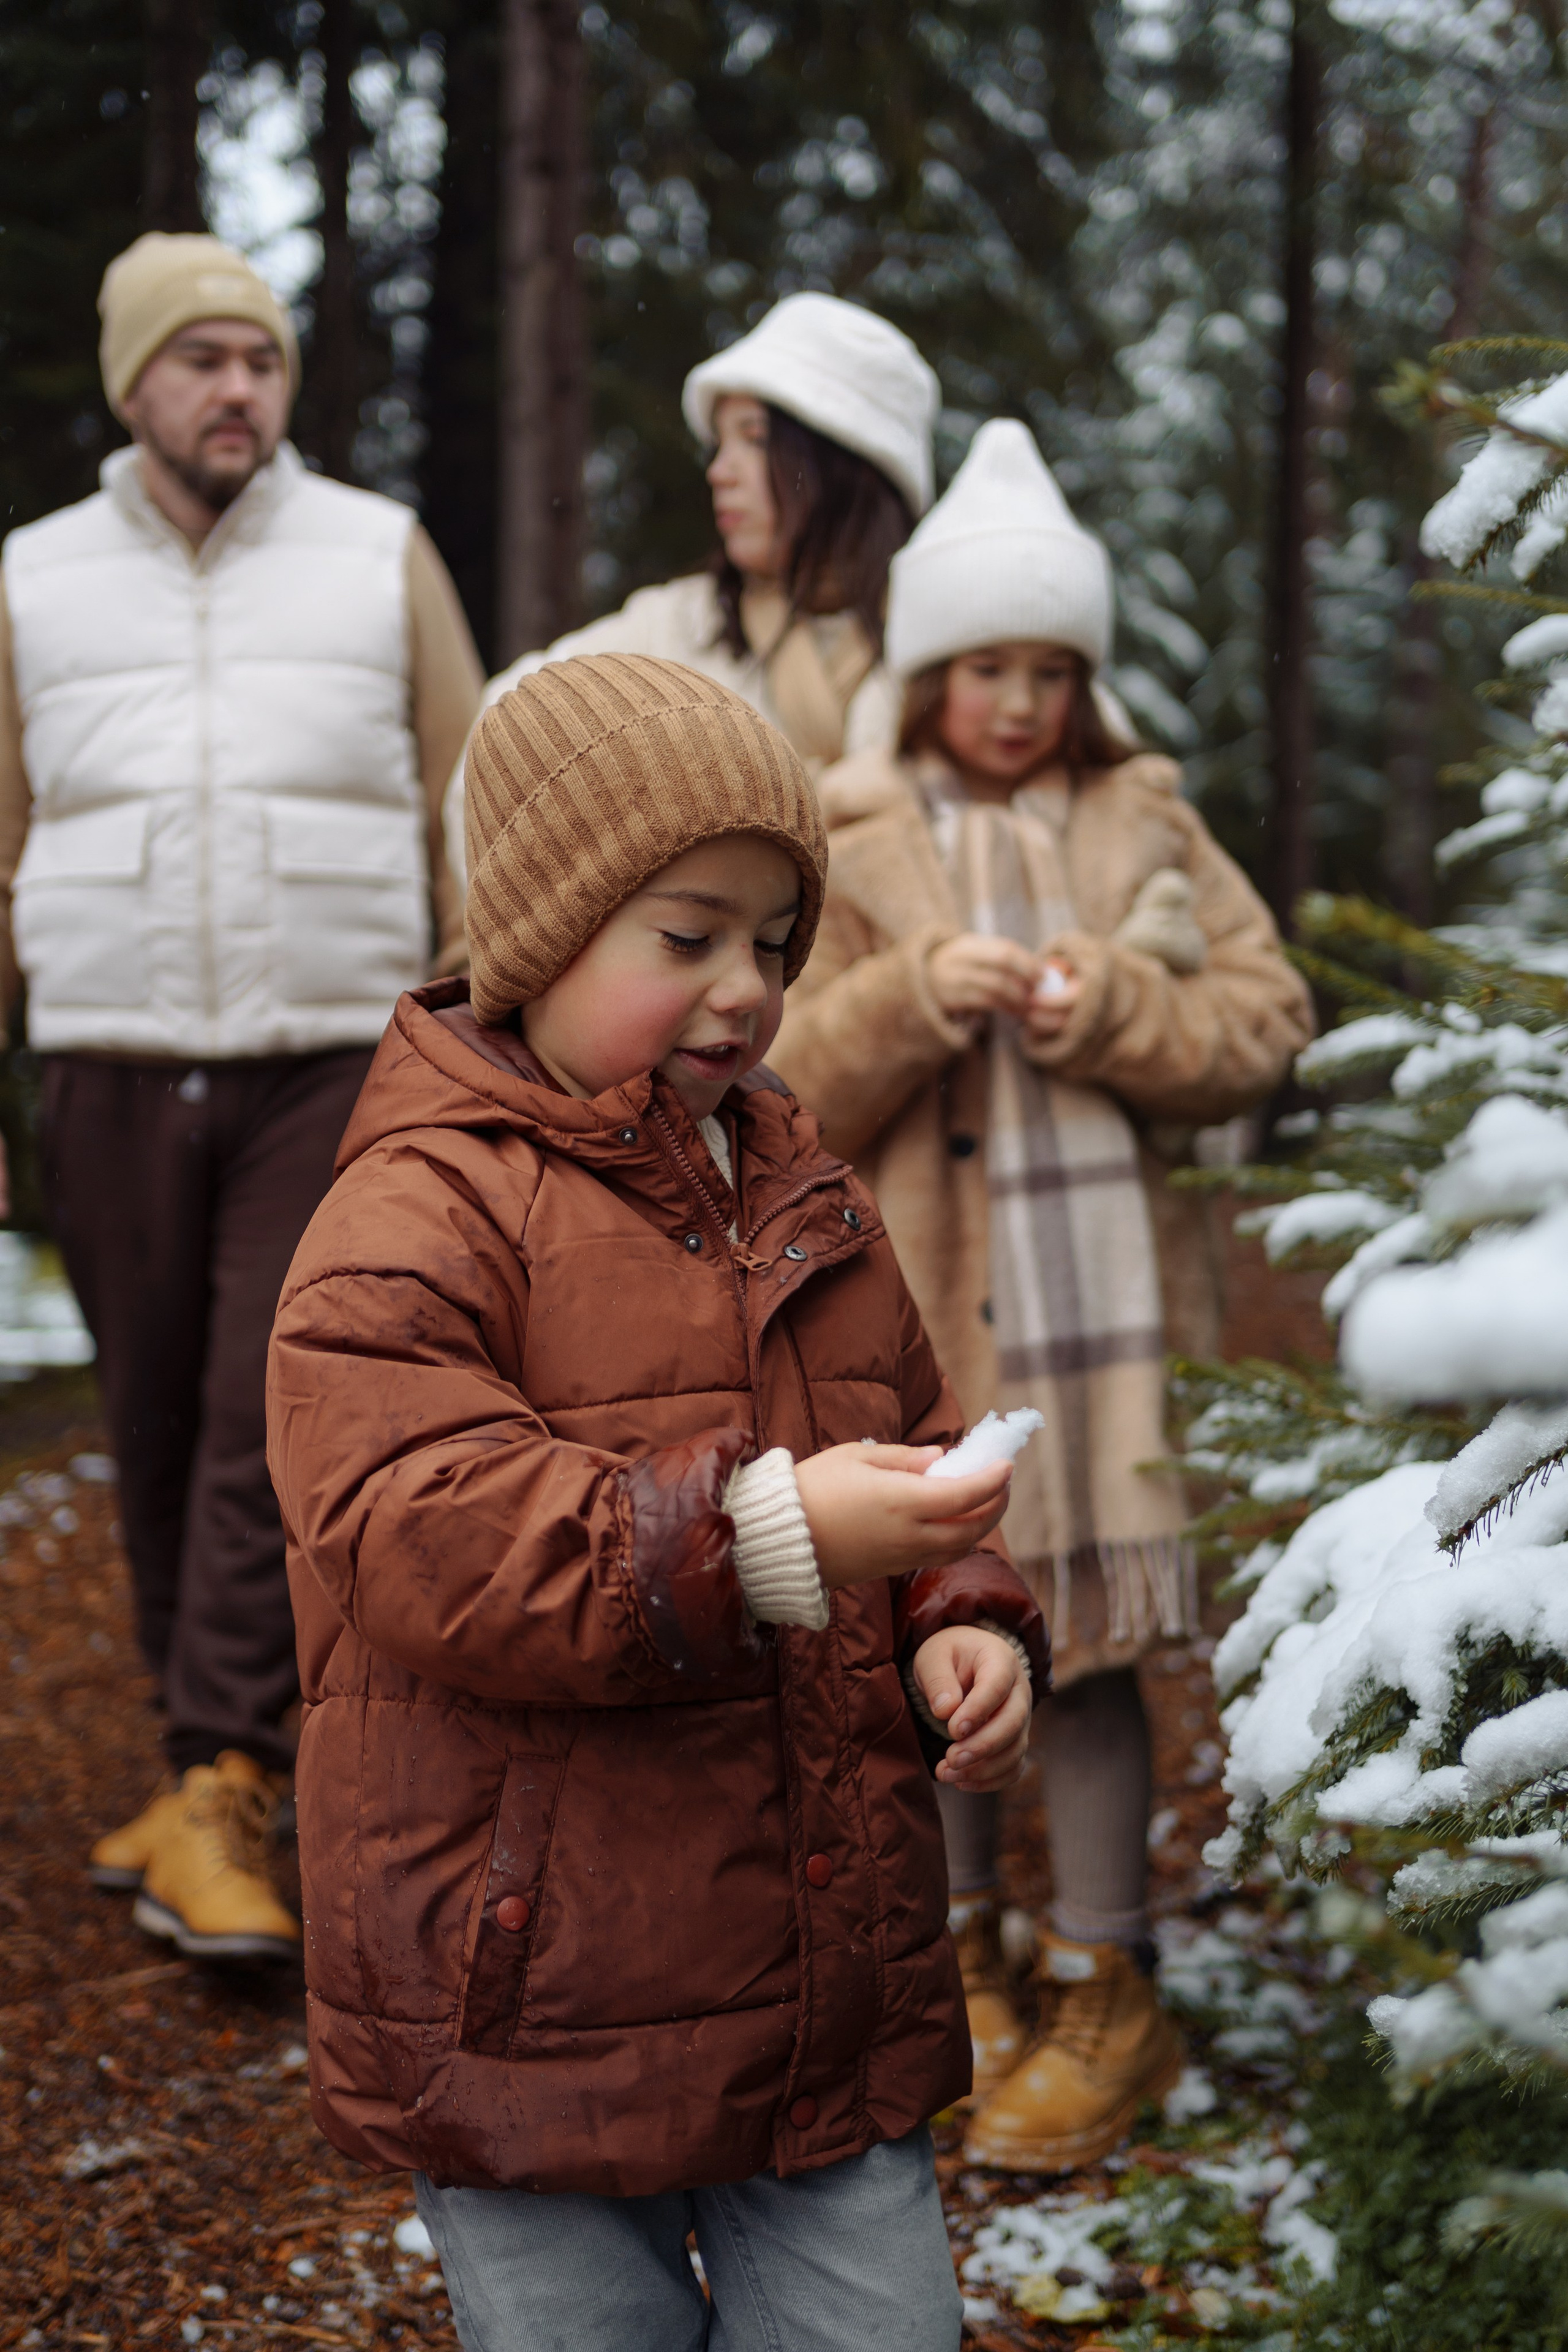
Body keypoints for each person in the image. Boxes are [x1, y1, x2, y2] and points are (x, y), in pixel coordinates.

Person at [265, 652, 1049, 2351]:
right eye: (686, 935)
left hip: (818, 1975)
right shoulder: (415, 1208)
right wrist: (764, 1538)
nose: (748, 989)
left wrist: (957, 1609)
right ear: (543, 931)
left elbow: (897, 1432)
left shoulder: (800, 1181)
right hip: (533, 2001)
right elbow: (420, 1530)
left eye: (774, 944)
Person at [771, 421, 1314, 2172]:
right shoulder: (849, 832)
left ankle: (1109, 1981)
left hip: (1111, 1344)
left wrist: (1124, 1025)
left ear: (1086, 679)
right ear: (929, 669)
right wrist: (919, 993)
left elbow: (1267, 1014)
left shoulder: (1141, 813)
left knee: (1087, 1661)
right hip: (921, 1319)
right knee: (943, 1644)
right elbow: (773, 1076)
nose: (1017, 700)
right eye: (987, 664)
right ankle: (969, 1965)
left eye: (1050, 669)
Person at [0, 233, 484, 1961]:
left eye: (261, 362)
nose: (236, 390)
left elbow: (469, 802)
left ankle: (223, 1772)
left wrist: (475, 1046)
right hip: (110, 1066)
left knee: (258, 1413)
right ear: (135, 384)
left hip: (327, 1064)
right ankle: (194, 1769)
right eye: (201, 361)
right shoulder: (34, 579)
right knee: (147, 1423)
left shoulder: (376, 555)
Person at [452, 291, 938, 856]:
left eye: (754, 439)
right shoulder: (676, 630)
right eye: (719, 443)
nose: (719, 472)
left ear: (845, 465)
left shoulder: (960, 650)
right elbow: (499, 736)